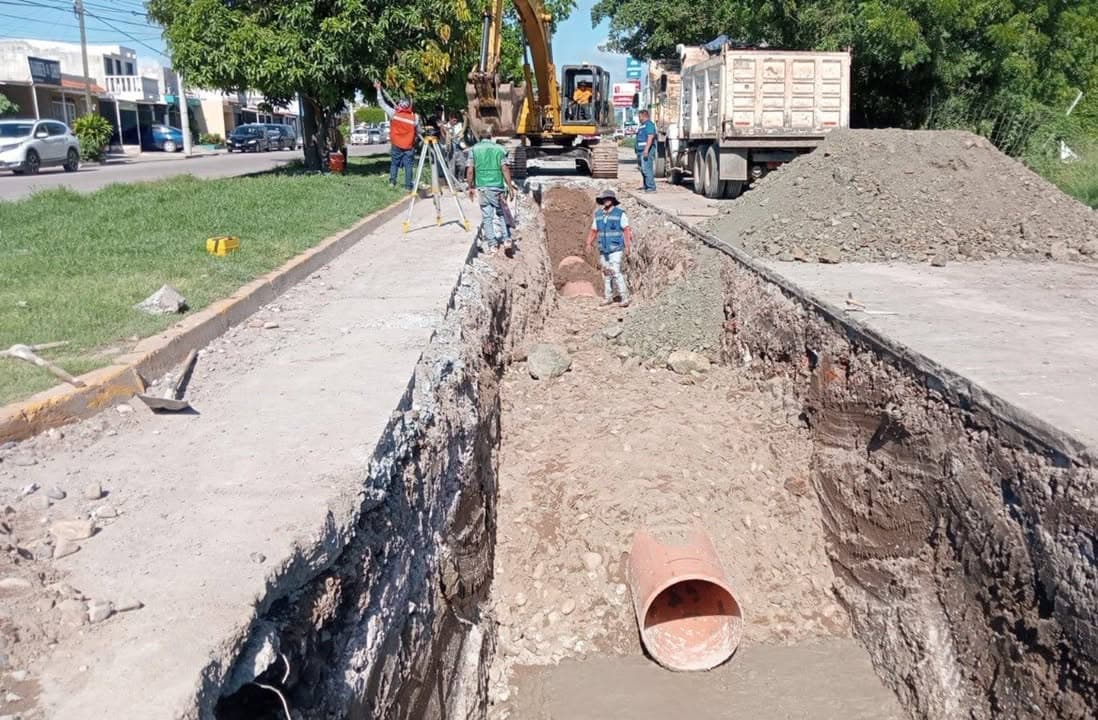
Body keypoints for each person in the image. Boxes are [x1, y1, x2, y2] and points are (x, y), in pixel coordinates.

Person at [466, 128, 516, 254]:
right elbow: (504, 168)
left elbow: (470, 170)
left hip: (482, 187)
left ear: (479, 136)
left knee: (487, 217)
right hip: (497, 187)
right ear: (491, 136)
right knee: (501, 213)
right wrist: (510, 186)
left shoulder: (474, 150)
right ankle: (506, 240)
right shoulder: (499, 149)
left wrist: (470, 186)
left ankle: (492, 245)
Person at [585, 189, 632, 307]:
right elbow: (594, 230)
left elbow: (626, 230)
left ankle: (624, 297)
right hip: (603, 249)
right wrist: (588, 243)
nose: (606, 201)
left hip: (616, 248)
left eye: (608, 198)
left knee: (615, 272)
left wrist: (627, 246)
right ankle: (608, 297)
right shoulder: (599, 215)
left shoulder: (620, 214)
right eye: (605, 199)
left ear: (612, 200)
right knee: (606, 273)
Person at [374, 80, 418, 192]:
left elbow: (382, 103)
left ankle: (392, 182)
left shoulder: (394, 113)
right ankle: (408, 187)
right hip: (408, 146)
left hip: (396, 144)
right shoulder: (414, 117)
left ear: (399, 105)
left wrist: (378, 90)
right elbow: (419, 131)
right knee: (408, 167)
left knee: (394, 164)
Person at [635, 109, 657, 193]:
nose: (639, 118)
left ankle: (651, 188)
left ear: (644, 116)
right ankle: (646, 186)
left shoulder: (649, 124)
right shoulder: (642, 125)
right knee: (642, 169)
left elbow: (650, 137)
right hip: (640, 151)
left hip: (646, 151)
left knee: (646, 169)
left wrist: (646, 150)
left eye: (639, 116)